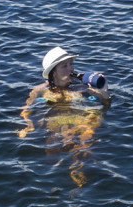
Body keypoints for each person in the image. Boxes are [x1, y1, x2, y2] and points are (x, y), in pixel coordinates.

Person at [17, 47, 110, 190]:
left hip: (81, 120)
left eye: (71, 64)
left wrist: (104, 92)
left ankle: (79, 177)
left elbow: (105, 104)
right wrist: (28, 126)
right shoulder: (40, 90)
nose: (70, 69)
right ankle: (56, 187)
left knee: (85, 145)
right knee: (51, 155)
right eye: (64, 66)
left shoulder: (83, 87)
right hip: (57, 121)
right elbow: (25, 110)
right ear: (53, 72)